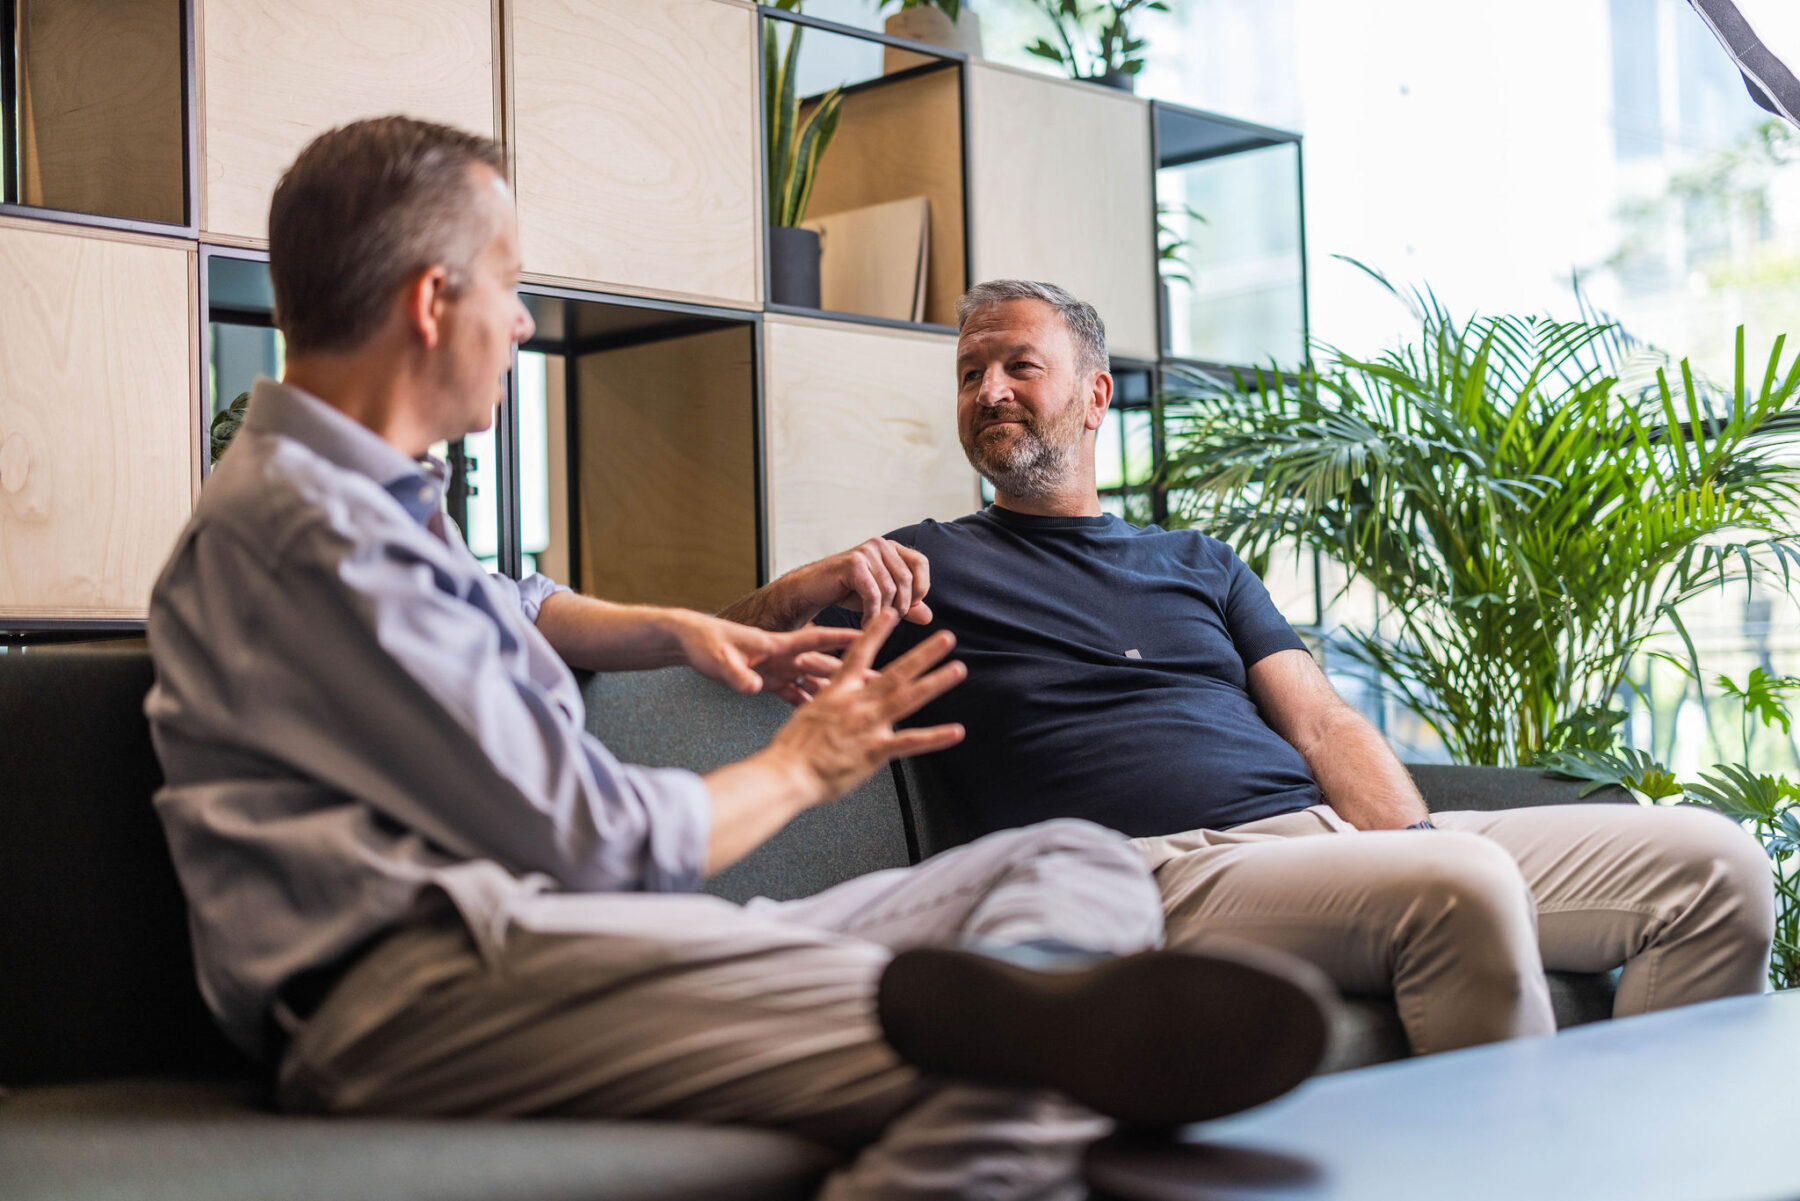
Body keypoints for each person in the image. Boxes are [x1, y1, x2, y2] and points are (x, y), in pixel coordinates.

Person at [144, 123, 1332, 1201]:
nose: (518, 319)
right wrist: (805, 765)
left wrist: (686, 630)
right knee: (1036, 1062)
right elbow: (593, 838)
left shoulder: (368, 506)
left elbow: (515, 602)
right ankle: (1034, 1019)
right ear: (428, 302)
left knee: (1072, 860)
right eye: (508, 286)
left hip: (559, 944)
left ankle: (1033, 995)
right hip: (426, 987)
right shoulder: (322, 534)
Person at [725, 278, 1777, 1056]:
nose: (989, 390)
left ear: (1094, 398)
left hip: (1322, 845)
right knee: (1456, 883)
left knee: (1713, 865)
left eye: (1016, 366)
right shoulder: (925, 564)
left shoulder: (1198, 561)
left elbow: (1320, 725)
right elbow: (717, 653)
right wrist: (797, 587)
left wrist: (1397, 841)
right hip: (1157, 870)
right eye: (969, 373)